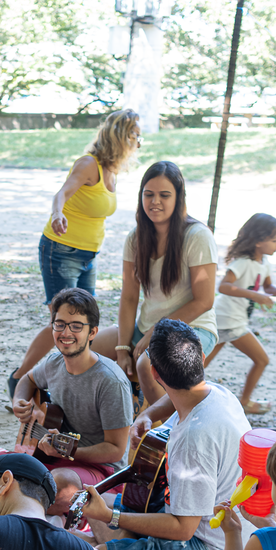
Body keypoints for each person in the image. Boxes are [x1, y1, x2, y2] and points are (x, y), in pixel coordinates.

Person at [76, 319, 250, 550]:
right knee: (106, 506)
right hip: (228, 530)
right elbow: (172, 399)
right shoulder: (219, 394)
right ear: (201, 359)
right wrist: (146, 415)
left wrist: (111, 517)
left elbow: (183, 529)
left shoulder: (193, 438)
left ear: (155, 374)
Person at [7, 110, 142, 397]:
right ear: (119, 136)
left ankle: (69, 381)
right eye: (134, 135)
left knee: (84, 323)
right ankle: (20, 378)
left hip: (87, 257)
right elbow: (61, 194)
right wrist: (58, 213)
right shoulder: (88, 164)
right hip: (60, 251)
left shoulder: (111, 172)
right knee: (65, 321)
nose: (138, 143)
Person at [88, 161, 220, 408]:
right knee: (87, 347)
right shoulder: (136, 237)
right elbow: (129, 298)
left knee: (146, 366)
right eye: (148, 194)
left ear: (178, 197)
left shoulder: (197, 236)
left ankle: (163, 428)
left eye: (164, 195)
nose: (155, 201)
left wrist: (154, 333)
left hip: (192, 328)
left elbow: (204, 301)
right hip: (148, 328)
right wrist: (121, 349)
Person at [7, 287, 132, 486]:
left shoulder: (111, 382)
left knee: (58, 485)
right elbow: (27, 380)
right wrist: (18, 401)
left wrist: (69, 452)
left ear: (92, 332)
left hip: (101, 471)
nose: (66, 333)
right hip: (50, 459)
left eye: (76, 326)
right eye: (60, 324)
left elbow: (116, 449)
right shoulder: (53, 362)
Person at [205, 213, 276, 415]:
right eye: (274, 240)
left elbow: (268, 285)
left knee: (201, 364)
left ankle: (179, 394)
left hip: (234, 320)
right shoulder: (242, 263)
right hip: (226, 319)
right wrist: (256, 295)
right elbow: (224, 286)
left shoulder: (264, 263)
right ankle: (243, 402)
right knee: (261, 360)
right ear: (258, 241)